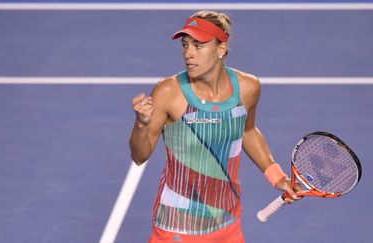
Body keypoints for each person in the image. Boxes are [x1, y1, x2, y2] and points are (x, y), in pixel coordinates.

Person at [129, 10, 301, 243]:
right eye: (185, 45)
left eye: (198, 46)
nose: (188, 54)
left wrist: (276, 176)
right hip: (176, 226)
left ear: (221, 49)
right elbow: (140, 156)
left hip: (227, 220)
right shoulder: (169, 92)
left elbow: (247, 130)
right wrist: (141, 123)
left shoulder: (248, 87)